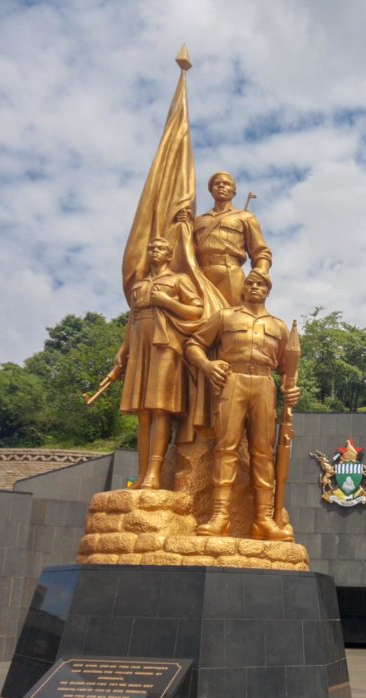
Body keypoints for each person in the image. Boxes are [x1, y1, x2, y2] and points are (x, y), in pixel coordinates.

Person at [185, 270, 299, 540]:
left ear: (268, 290)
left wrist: (291, 389)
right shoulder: (226, 316)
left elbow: (287, 370)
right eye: (250, 283)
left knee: (262, 454)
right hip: (232, 381)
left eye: (261, 284)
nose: (255, 286)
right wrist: (207, 365)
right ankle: (220, 517)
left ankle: (263, 520)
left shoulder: (278, 327)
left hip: (264, 385)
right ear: (243, 288)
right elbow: (193, 344)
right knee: (226, 448)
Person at [115, 236, 204, 489]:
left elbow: (197, 310)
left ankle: (154, 472)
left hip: (165, 344)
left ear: (169, 254)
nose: (155, 251)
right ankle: (142, 473)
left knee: (159, 407)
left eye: (161, 248)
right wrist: (124, 348)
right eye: (151, 247)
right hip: (140, 343)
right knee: (142, 411)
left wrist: (167, 302)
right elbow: (131, 319)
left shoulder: (179, 280)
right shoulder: (139, 284)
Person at [193, 171, 272, 305]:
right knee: (200, 316)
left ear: (233, 192)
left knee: (234, 318)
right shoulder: (198, 221)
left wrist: (260, 273)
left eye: (226, 184)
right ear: (211, 190)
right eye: (217, 184)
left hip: (230, 272)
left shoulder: (245, 217)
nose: (221, 186)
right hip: (201, 274)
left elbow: (261, 252)